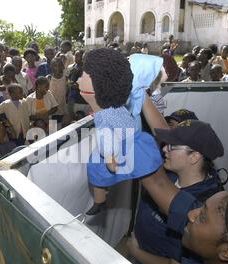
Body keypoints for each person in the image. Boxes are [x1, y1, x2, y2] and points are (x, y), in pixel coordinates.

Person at [130, 120, 224, 264]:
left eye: (172, 146)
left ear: (194, 156)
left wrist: (136, 252)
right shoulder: (171, 174)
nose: (165, 148)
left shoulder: (204, 209)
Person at [78, 48, 163, 216]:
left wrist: (109, 159)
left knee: (95, 166)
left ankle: (100, 200)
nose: (78, 80)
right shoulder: (117, 106)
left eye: (83, 77)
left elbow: (107, 140)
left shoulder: (104, 116)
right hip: (135, 139)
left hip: (124, 148)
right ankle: (102, 196)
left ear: (98, 85)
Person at [67, 50, 89, 117]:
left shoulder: (86, 70)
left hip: (83, 100)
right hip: (73, 98)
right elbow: (69, 82)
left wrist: (75, 86)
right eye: (75, 56)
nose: (76, 58)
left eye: (78, 56)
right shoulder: (73, 67)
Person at [48, 57, 68, 125]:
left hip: (63, 110)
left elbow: (67, 93)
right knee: (53, 131)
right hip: (51, 111)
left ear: (62, 66)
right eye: (55, 65)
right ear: (51, 67)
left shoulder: (65, 78)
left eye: (60, 65)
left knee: (63, 131)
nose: (58, 67)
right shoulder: (48, 78)